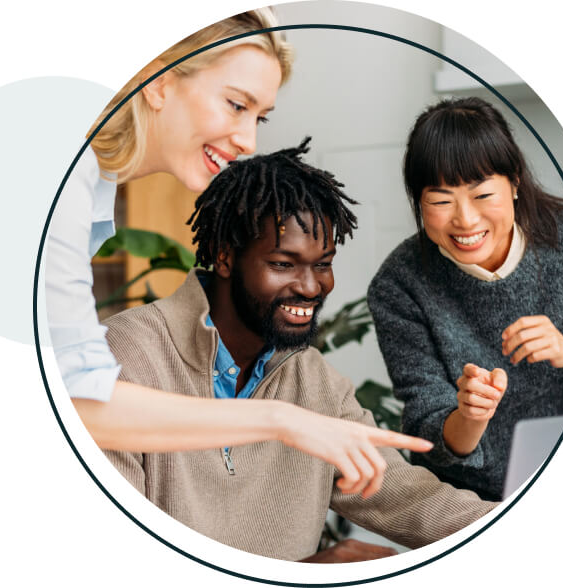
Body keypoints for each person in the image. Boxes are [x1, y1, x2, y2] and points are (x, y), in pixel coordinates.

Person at [45, 9, 429, 495]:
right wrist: (282, 420)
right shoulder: (59, 183)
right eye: (234, 104)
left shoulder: (87, 190)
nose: (249, 140)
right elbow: (78, 402)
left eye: (259, 116)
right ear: (157, 80)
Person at [101, 139, 497, 562]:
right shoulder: (124, 356)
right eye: (283, 264)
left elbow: (409, 498)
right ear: (224, 257)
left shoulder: (315, 381)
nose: (311, 287)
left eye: (323, 264)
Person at [368, 97, 563, 501]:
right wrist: (469, 415)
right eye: (441, 201)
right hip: (473, 506)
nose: (465, 220)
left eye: (481, 195)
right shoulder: (400, 284)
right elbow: (431, 434)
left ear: (514, 183)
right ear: (418, 202)